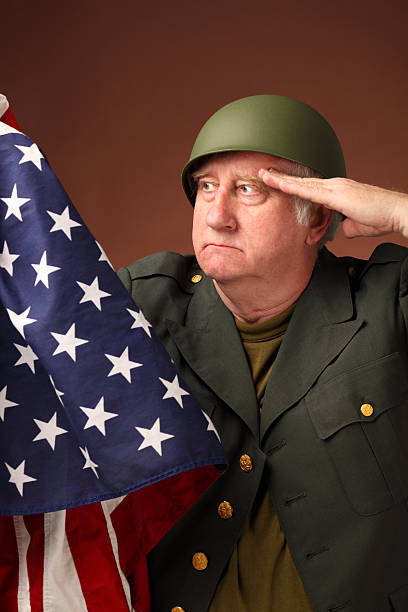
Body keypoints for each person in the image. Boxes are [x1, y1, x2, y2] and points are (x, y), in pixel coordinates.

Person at [118, 95, 408, 612]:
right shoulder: (145, 302)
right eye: (207, 188)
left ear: (317, 220)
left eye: (249, 190)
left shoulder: (388, 304)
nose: (217, 217)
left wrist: (398, 210)